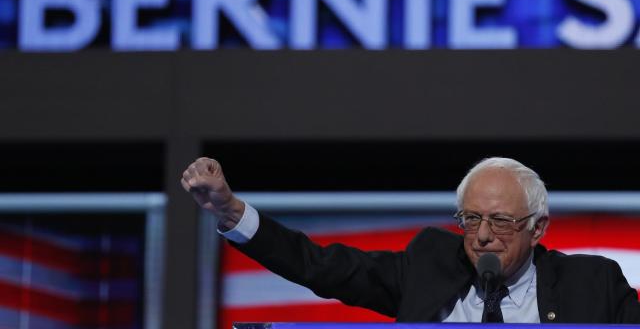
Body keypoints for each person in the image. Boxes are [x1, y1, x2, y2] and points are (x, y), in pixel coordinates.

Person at [181, 156, 640, 323]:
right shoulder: (428, 266)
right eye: (470, 218)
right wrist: (229, 210)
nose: (481, 236)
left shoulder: (592, 284)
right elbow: (318, 265)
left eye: (501, 222)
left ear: (538, 228)